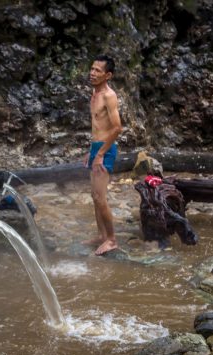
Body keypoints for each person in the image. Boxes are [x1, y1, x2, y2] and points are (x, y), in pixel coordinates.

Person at [84, 54, 123, 256]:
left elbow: (117, 128)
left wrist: (100, 153)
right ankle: (101, 235)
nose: (92, 73)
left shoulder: (109, 96)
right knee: (94, 196)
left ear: (108, 75)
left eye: (98, 70)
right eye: (92, 68)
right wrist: (90, 151)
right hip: (96, 148)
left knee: (101, 197)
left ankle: (111, 240)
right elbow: (98, 125)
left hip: (105, 150)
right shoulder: (94, 93)